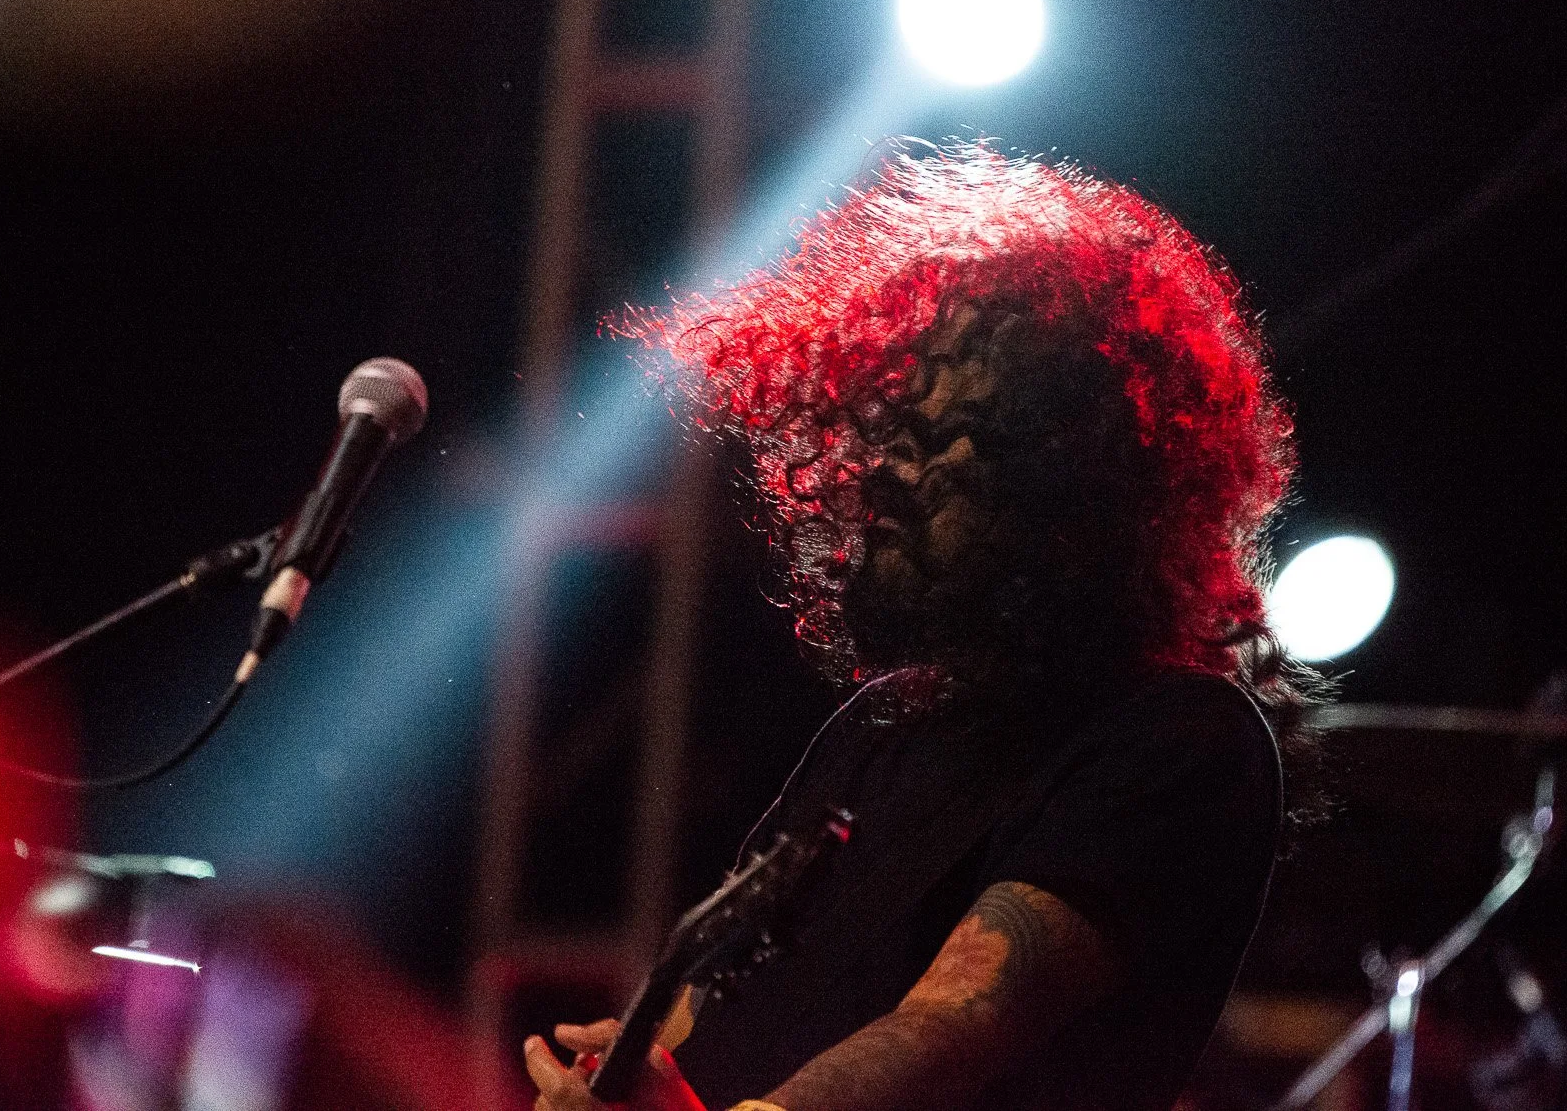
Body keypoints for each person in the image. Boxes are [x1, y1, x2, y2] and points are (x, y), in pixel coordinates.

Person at [523, 143, 1313, 1111]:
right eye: (881, 437)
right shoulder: (883, 724)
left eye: (936, 444)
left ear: (1069, 475)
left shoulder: (1180, 740)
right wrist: (629, 1079)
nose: (884, 479)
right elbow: (703, 1007)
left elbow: (952, 1027)